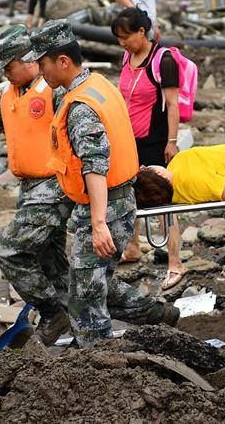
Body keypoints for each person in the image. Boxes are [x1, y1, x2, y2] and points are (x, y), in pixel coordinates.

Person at [0, 25, 177, 346]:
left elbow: (94, 159)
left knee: (27, 258)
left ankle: (78, 336)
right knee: (77, 278)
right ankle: (153, 314)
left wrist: (98, 221)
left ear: (36, 61)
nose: (6, 75)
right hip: (47, 191)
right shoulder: (13, 94)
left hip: (62, 190)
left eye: (10, 67)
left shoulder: (61, 92)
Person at [24, 20, 179, 348]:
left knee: (84, 300)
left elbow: (95, 166)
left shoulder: (81, 106)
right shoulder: (97, 84)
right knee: (95, 284)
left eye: (43, 64)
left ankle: (101, 363)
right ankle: (158, 316)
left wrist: (97, 224)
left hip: (106, 207)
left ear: (62, 61)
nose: (40, 73)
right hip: (115, 203)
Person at [112, 8, 185, 289]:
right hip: (130, 140)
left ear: (141, 32)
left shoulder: (163, 60)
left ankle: (175, 262)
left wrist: (172, 142)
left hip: (156, 141)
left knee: (164, 200)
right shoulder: (128, 56)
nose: (122, 43)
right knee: (129, 193)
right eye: (119, 38)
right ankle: (132, 247)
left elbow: (173, 105)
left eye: (125, 37)